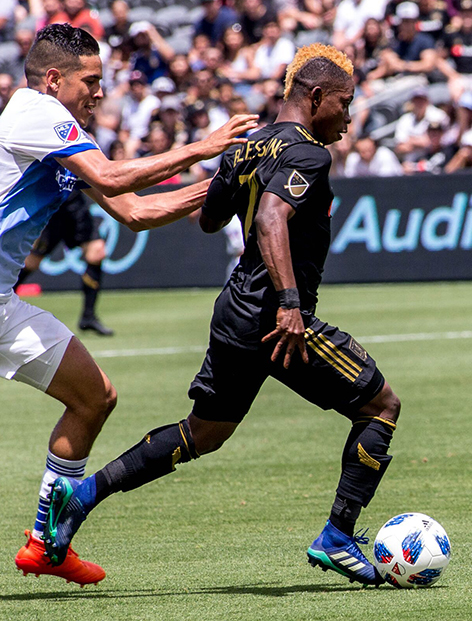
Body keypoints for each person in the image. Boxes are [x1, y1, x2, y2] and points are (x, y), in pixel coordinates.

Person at [0, 23, 257, 587]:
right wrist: (205, 146)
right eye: (91, 81)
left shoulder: (67, 131)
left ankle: (47, 543)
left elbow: (135, 212)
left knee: (94, 397)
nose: (100, 92)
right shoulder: (34, 111)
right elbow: (111, 175)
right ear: (54, 79)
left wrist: (225, 185)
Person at [42, 43, 401, 588]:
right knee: (381, 406)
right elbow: (272, 221)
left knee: (203, 434)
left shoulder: (245, 148)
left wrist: (237, 184)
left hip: (233, 311)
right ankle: (338, 536)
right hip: (274, 319)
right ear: (317, 96)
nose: (349, 118)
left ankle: (84, 495)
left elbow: (211, 221)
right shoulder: (309, 154)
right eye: (345, 104)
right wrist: (289, 306)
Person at [16, 192, 115, 336]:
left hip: (76, 205)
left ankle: (88, 317)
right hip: (52, 208)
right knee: (32, 262)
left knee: (97, 252)